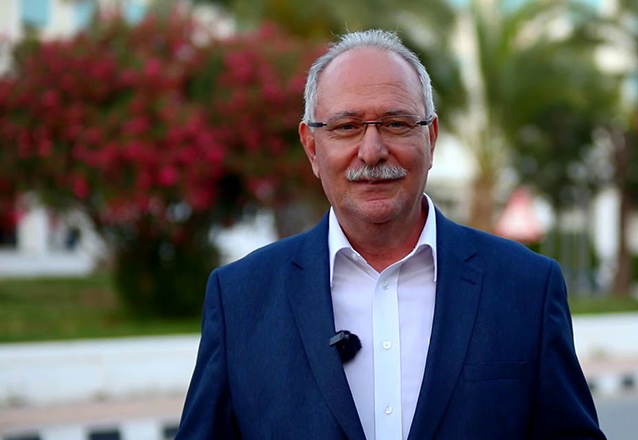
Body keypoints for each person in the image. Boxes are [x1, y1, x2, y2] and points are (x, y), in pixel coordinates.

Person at [177, 29, 605, 440]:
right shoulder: (241, 300)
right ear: (311, 147)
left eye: (396, 124)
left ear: (430, 137)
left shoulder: (526, 288)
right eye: (347, 126)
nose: (372, 151)